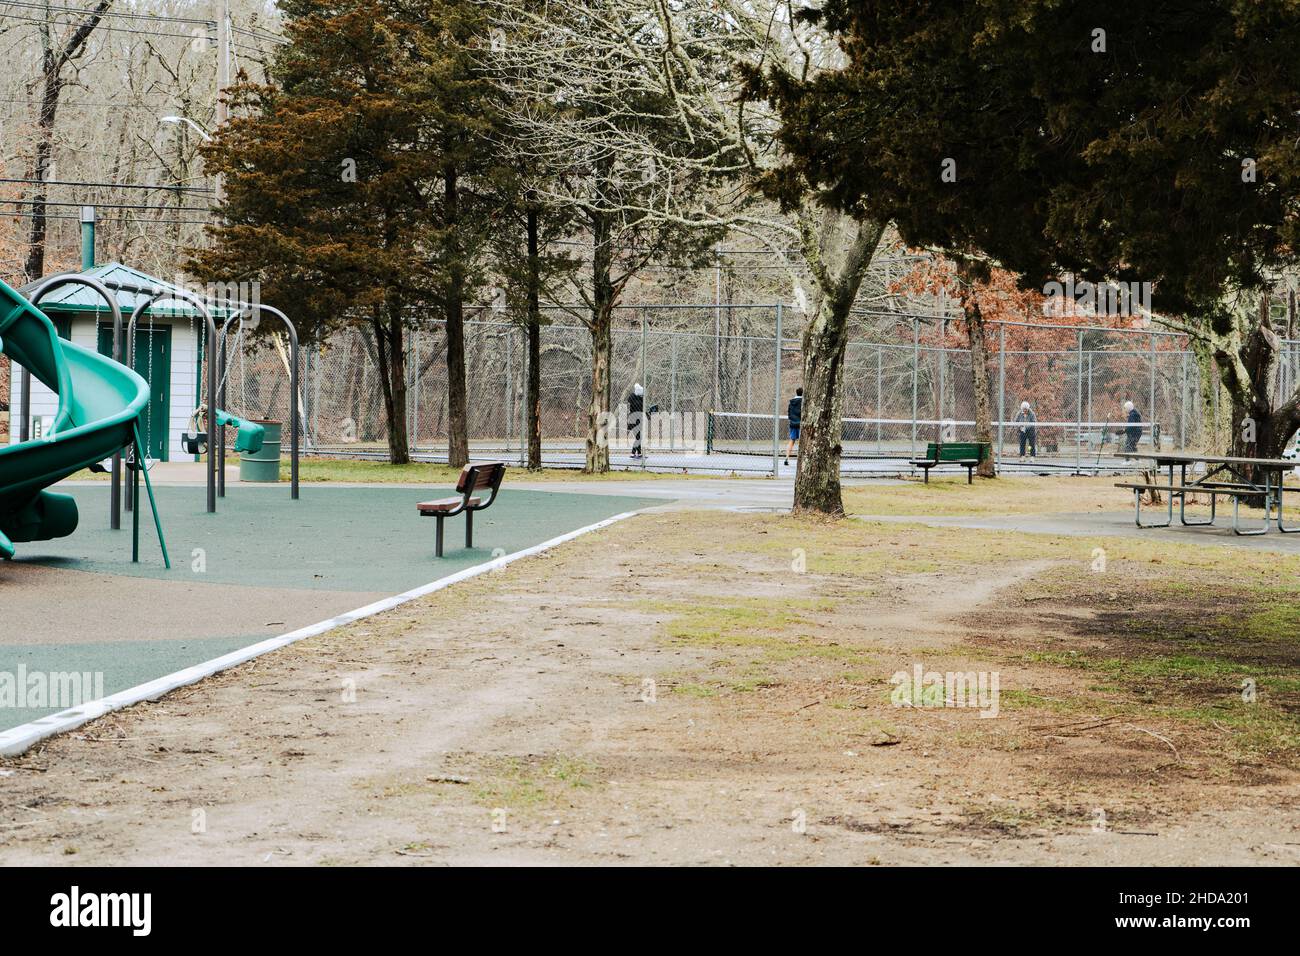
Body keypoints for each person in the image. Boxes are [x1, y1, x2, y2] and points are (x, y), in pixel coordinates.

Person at [784, 387, 803, 466]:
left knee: (791, 441)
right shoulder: (803, 402)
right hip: (801, 424)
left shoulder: (791, 403)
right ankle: (801, 460)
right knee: (802, 442)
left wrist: (792, 420)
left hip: (793, 424)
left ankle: (787, 458)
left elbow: (789, 414)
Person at [627, 384, 645, 459]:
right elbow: (640, 409)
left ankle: (639, 453)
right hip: (635, 419)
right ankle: (633, 453)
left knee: (638, 437)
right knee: (638, 437)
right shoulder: (638, 399)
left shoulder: (634, 397)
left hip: (635, 419)